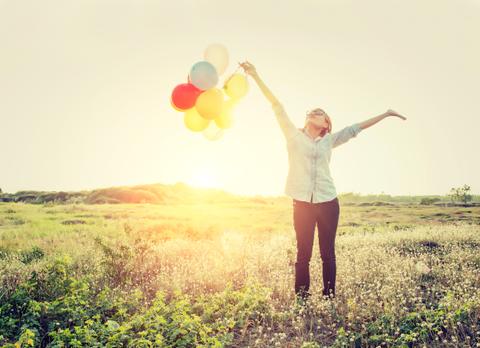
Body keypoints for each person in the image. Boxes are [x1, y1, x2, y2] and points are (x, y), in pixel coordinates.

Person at [238, 60, 407, 302]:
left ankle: (329, 298)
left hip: (328, 202)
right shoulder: (293, 135)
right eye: (314, 111)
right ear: (308, 119)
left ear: (326, 125)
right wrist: (255, 75)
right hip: (302, 203)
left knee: (328, 253)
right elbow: (277, 105)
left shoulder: (330, 140)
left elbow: (356, 128)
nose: (317, 112)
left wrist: (387, 113)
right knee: (303, 253)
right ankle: (302, 299)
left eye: (322, 113)